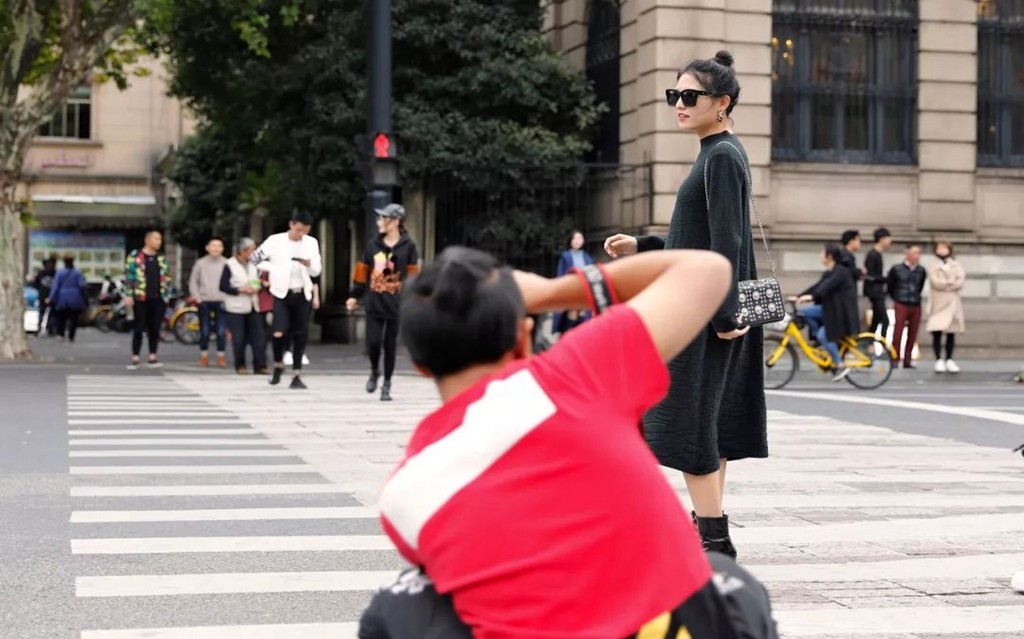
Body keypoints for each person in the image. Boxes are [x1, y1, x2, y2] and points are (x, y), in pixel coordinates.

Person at [361, 245, 777, 639]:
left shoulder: (402, 492)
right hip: (676, 625)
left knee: (403, 602)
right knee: (730, 580)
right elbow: (708, 271)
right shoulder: (580, 373)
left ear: (419, 364)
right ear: (523, 337)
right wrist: (550, 291)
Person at [602, 50, 767, 558]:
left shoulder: (720, 156)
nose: (678, 103)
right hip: (714, 307)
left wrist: (721, 316)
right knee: (709, 426)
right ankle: (708, 539)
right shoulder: (715, 151)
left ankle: (715, 546)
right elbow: (697, 237)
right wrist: (646, 245)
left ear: (722, 102)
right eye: (674, 94)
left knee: (695, 427)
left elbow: (728, 242)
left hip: (710, 311)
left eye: (689, 96)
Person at [346, 203, 420, 402]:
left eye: (383, 218)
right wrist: (355, 295)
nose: (379, 222)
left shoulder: (409, 246)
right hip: (375, 303)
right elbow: (362, 272)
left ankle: (387, 384)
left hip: (397, 305)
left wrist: (414, 299)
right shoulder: (373, 245)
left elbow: (413, 275)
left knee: (390, 346)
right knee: (373, 342)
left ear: (395, 221)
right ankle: (373, 371)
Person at [250, 211, 322, 388]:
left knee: (300, 333)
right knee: (279, 331)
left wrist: (309, 264)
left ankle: (296, 373)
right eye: (298, 230)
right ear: (291, 225)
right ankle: (278, 364)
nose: (301, 234)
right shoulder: (276, 241)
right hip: (281, 292)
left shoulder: (311, 243)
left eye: (304, 231)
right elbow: (254, 258)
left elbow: (317, 271)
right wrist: (274, 268)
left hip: (302, 292)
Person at [796, 244, 860, 382]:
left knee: (823, 335)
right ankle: (819, 341)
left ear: (829, 256)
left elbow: (827, 285)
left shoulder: (841, 272)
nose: (820, 256)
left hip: (840, 314)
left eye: (822, 253)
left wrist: (812, 297)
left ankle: (839, 364)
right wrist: (799, 296)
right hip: (830, 310)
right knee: (802, 313)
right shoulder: (829, 272)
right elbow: (818, 286)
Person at [220, 237, 268, 375]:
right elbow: (223, 286)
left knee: (259, 337)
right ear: (242, 251)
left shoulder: (255, 264)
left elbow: (257, 280)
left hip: (253, 304)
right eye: (250, 250)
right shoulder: (229, 264)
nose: (252, 253)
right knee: (239, 338)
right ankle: (240, 365)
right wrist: (240, 290)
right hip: (236, 307)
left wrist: (257, 287)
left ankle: (260, 365)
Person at [124, 229, 172, 370]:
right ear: (147, 240)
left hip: (158, 297)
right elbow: (129, 276)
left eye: (160, 239)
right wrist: (129, 294)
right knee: (139, 326)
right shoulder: (135, 256)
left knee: (155, 327)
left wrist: (167, 294)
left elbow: (167, 277)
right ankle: (135, 355)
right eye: (156, 239)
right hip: (140, 297)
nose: (159, 242)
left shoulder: (161, 259)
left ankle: (153, 354)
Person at [926, 239, 966, 374]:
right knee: (936, 331)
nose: (942, 251)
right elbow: (935, 281)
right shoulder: (933, 265)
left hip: (952, 303)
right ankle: (938, 360)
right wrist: (949, 283)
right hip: (938, 303)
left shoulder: (956, 265)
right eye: (939, 248)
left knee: (951, 333)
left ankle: (949, 359)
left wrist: (949, 283)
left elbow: (960, 281)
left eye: (944, 248)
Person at [189, 236, 229, 368]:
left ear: (222, 248)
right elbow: (193, 281)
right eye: (213, 245)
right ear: (207, 248)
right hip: (204, 300)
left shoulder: (227, 263)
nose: (216, 248)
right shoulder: (200, 263)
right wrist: (197, 296)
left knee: (221, 331)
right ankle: (204, 356)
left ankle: (221, 356)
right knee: (204, 330)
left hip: (222, 300)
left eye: (219, 246)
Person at [887, 243, 927, 369]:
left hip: (915, 303)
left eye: (919, 253)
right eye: (915, 253)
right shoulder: (897, 269)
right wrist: (896, 298)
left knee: (913, 333)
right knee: (897, 332)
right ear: (907, 254)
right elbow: (890, 286)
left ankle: (908, 359)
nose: (917, 256)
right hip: (901, 302)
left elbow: (920, 285)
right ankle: (895, 358)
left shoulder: (921, 270)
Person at [552, 229, 594, 334]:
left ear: (583, 241)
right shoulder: (565, 256)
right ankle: (566, 336)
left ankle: (579, 339)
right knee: (572, 313)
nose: (577, 241)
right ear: (570, 241)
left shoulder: (587, 258)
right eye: (575, 238)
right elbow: (561, 274)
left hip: (584, 291)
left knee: (583, 316)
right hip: (571, 289)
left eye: (579, 238)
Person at [49, 255, 88, 342]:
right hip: (75, 297)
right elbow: (81, 285)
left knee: (61, 317)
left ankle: (61, 334)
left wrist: (51, 297)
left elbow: (55, 287)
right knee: (74, 317)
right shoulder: (78, 273)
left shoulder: (60, 273)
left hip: (62, 297)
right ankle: (71, 335)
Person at [864, 228, 893, 338]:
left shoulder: (878, 254)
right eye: (888, 238)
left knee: (876, 322)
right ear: (881, 239)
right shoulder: (873, 254)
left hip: (878, 292)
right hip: (875, 293)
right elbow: (870, 275)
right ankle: (883, 348)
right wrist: (886, 278)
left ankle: (867, 345)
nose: (890, 240)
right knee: (885, 321)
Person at [32, 255, 58, 336]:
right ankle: (51, 329)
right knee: (52, 313)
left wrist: (40, 289)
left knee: (41, 312)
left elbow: (35, 283)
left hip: (42, 295)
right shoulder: (56, 273)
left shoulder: (40, 272)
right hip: (53, 296)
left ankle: (39, 328)